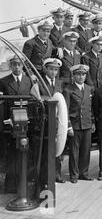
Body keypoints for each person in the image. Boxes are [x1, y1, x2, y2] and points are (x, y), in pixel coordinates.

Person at [0, 56, 33, 193]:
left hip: (26, 123)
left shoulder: (28, 81)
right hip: (10, 124)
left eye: (19, 64)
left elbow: (32, 101)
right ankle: (11, 185)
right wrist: (5, 122)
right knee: (12, 155)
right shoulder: (3, 81)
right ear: (10, 66)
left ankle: (24, 184)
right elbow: (2, 104)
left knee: (24, 154)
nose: (17, 67)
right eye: (14, 64)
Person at [63, 64, 95, 183]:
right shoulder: (68, 90)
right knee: (74, 151)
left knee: (86, 150)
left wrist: (92, 122)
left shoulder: (88, 88)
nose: (81, 77)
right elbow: (65, 110)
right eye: (78, 74)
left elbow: (90, 107)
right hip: (75, 124)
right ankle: (74, 174)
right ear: (74, 75)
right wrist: (69, 126)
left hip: (86, 124)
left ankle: (84, 173)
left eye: (83, 74)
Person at [39, 58, 65, 183]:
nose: (53, 72)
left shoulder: (59, 83)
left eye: (56, 70)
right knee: (45, 149)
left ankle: (57, 174)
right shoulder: (40, 83)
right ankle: (45, 176)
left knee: (58, 146)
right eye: (51, 69)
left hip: (57, 120)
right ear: (45, 69)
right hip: (45, 120)